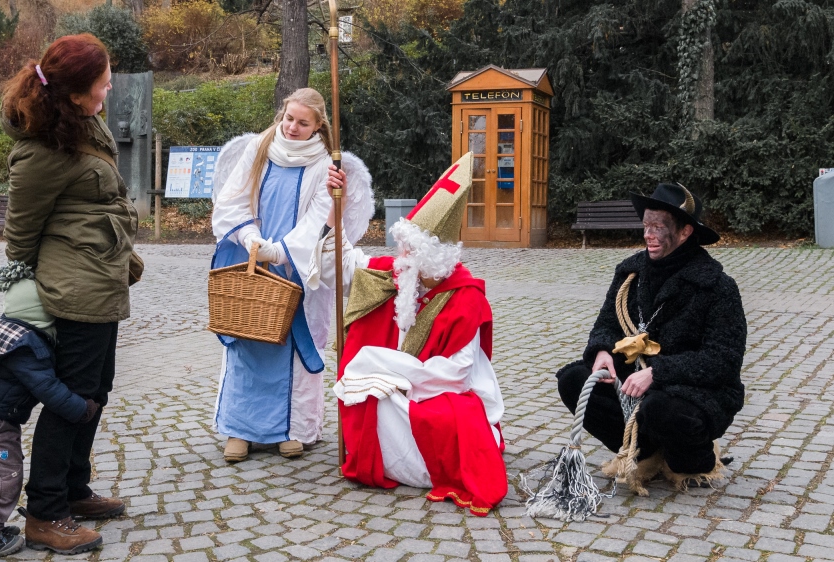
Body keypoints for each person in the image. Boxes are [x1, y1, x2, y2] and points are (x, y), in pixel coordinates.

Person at [310, 152, 509, 516]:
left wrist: (387, 370)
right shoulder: (398, 275)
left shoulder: (466, 300)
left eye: (410, 250)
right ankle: (389, 457)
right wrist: (333, 208)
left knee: (441, 419)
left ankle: (406, 461)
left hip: (444, 395)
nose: (400, 255)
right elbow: (334, 264)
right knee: (368, 390)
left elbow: (455, 375)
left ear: (432, 259)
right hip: (401, 392)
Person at [0, 33, 136, 554]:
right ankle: (45, 513)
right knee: (71, 400)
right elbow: (19, 238)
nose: (108, 86)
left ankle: (74, 489)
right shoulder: (40, 151)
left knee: (95, 390)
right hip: (75, 288)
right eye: (102, 81)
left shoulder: (79, 122)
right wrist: (50, 285)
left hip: (101, 278)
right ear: (75, 93)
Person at [555, 183, 746, 491]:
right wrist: (602, 351)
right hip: (635, 381)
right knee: (573, 380)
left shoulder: (716, 287)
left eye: (658, 227)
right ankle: (644, 452)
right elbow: (605, 324)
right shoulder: (630, 273)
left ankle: (695, 460)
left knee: (660, 409)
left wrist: (658, 373)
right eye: (646, 226)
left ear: (684, 233)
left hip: (693, 391)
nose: (648, 235)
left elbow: (722, 360)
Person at [210, 88, 342, 463]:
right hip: (249, 260)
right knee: (247, 337)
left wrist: (282, 252)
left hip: (296, 267)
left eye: (303, 122)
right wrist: (251, 237)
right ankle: (239, 428)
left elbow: (320, 218)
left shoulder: (324, 165)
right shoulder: (260, 147)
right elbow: (232, 198)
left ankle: (292, 429)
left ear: (318, 125)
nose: (293, 127)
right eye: (289, 118)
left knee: (292, 345)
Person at [0, 279, 99, 559]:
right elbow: (48, 388)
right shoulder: (25, 347)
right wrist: (80, 409)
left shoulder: (6, 333)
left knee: (0, 477)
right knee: (4, 479)